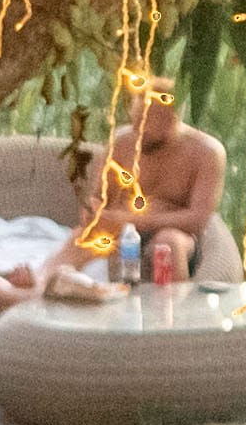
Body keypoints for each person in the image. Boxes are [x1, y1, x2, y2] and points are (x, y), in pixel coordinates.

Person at [94, 78, 230, 284]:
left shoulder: (207, 153)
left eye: (144, 125)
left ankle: (175, 312)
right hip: (124, 229)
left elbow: (198, 219)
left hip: (176, 234)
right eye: (135, 123)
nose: (137, 134)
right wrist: (97, 215)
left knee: (167, 244)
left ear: (171, 120)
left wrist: (138, 220)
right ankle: (39, 284)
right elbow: (99, 199)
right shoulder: (122, 142)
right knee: (83, 239)